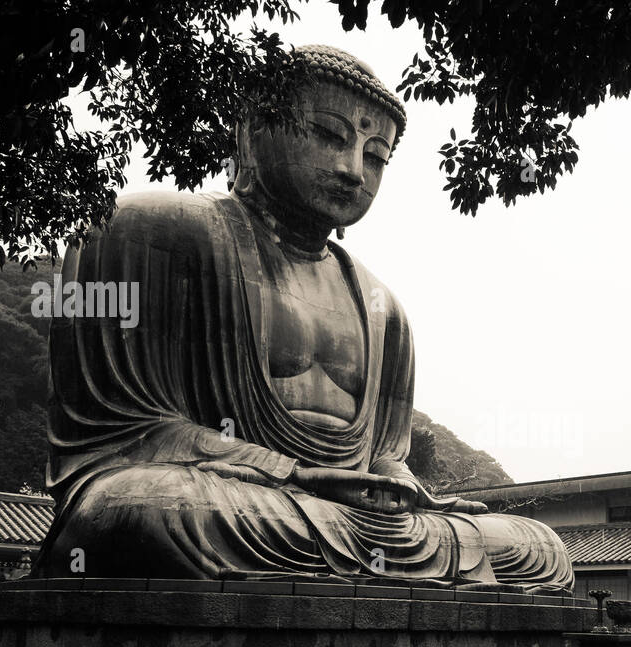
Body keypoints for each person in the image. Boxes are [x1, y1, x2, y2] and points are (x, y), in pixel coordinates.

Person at [36, 45, 573, 590]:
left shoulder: (385, 308)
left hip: (338, 520)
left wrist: (403, 490)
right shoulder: (150, 230)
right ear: (253, 129)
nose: (352, 169)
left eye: (376, 156)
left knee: (537, 548)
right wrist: (292, 473)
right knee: (144, 511)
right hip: (222, 496)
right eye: (330, 135)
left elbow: (384, 456)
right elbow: (127, 433)